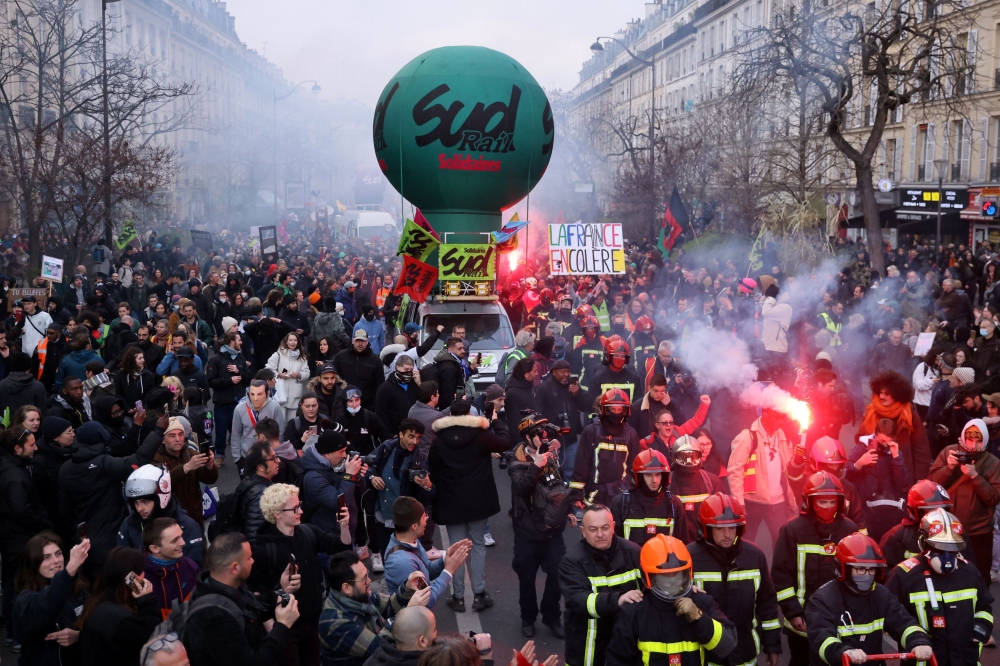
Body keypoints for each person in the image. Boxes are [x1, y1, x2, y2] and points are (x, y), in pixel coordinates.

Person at [250, 483, 353, 666]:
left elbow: (340, 546)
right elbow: (255, 592)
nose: (301, 511)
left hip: (313, 618)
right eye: (295, 508)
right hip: (286, 626)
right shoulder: (263, 550)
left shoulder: (307, 532)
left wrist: (344, 527)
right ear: (277, 513)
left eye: (300, 505)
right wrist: (267, 617)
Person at [605, 534, 738, 666]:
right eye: (664, 576)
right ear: (648, 577)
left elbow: (727, 645)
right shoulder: (634, 611)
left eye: (677, 574)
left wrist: (698, 617)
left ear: (688, 573)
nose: (672, 582)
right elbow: (617, 660)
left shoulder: (702, 602)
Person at [428, 399, 509, 612]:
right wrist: (496, 421)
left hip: (451, 501)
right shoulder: (480, 435)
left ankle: (458, 596)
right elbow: (504, 443)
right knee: (478, 545)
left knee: (456, 549)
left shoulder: (439, 440)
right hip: (478, 499)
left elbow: (433, 472)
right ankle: (480, 593)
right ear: (469, 413)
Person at [885, 509, 994, 664]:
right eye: (940, 548)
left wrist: (979, 632)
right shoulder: (903, 576)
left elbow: (984, 608)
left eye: (952, 549)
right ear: (924, 543)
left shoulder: (969, 573)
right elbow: (889, 616)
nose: (947, 556)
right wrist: (914, 640)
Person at [772, 472, 859, 665]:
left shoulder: (849, 528)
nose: (828, 507)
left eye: (832, 502)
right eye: (822, 502)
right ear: (809, 502)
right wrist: (793, 612)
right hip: (802, 619)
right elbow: (781, 575)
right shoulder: (792, 529)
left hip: (841, 616)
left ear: (840, 502)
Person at [805, 533, 932, 665]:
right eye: (860, 569)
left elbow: (904, 623)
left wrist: (919, 641)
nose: (867, 575)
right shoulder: (823, 599)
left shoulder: (881, 594)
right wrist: (843, 651)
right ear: (844, 569)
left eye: (871, 569)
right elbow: (821, 638)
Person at [687, 494, 781, 666]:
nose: (727, 534)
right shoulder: (689, 557)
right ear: (706, 528)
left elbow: (767, 604)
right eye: (720, 528)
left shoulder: (755, 556)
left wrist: (772, 645)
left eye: (732, 528)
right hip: (705, 654)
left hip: (745, 652)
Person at [59, 419, 164, 569]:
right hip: (108, 537)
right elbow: (136, 462)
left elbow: (64, 510)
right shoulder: (103, 463)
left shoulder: (65, 469)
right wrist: (158, 432)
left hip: (81, 540)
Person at [182, 532, 299, 666]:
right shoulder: (213, 618)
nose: (253, 561)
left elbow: (250, 607)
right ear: (235, 568)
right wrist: (283, 626)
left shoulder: (220, 584)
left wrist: (281, 591)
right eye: (249, 558)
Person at [507, 413, 572, 638]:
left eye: (544, 432)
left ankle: (552, 616)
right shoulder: (515, 460)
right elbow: (523, 489)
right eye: (537, 433)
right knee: (527, 578)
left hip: (553, 533)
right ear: (527, 436)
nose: (542, 437)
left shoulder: (550, 455)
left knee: (557, 576)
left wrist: (570, 511)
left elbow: (559, 487)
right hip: (527, 533)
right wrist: (536, 465)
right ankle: (528, 617)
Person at [558, 503, 643, 666]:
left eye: (605, 528)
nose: (600, 534)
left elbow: (654, 584)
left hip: (627, 638)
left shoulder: (633, 552)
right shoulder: (572, 561)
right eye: (593, 529)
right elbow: (579, 601)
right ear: (583, 532)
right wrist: (618, 599)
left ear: (613, 527)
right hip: (589, 643)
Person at [317, 550, 431, 666]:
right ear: (346, 587)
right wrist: (408, 612)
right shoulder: (335, 624)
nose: (369, 581)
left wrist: (407, 587)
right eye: (364, 579)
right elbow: (381, 648)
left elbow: (389, 605)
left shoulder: (358, 595)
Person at [927, 417, 1000, 584]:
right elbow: (931, 485)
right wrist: (949, 468)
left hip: (979, 532)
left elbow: (993, 498)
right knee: (948, 576)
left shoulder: (993, 463)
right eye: (970, 439)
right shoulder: (948, 452)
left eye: (978, 441)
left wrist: (975, 476)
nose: (973, 446)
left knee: (980, 577)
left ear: (986, 440)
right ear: (963, 436)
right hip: (947, 528)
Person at [0, 424, 53, 647]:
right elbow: (22, 510)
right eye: (31, 445)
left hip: (11, 538)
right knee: (18, 585)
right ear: (17, 448)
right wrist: (44, 525)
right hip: (19, 540)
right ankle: (17, 634)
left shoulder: (9, 467)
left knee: (12, 585)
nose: (36, 448)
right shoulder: (15, 477)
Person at [13, 532, 90, 666]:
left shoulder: (77, 588)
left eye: (58, 553)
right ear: (33, 563)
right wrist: (69, 571)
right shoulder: (25, 600)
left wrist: (79, 636)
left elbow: (95, 622)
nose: (56, 560)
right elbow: (46, 604)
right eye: (46, 557)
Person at [381, 497, 471, 611]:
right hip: (412, 623)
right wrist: (448, 571)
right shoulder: (403, 563)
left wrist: (446, 557)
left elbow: (427, 571)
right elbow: (427, 600)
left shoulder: (412, 541)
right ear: (414, 526)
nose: (426, 520)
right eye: (424, 517)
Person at [78, 547, 162, 666]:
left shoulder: (96, 602)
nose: (144, 575)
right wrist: (148, 601)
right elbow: (153, 639)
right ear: (131, 578)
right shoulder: (120, 618)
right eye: (141, 571)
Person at [726, 406, 795, 550]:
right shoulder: (747, 437)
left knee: (782, 543)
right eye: (778, 417)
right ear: (765, 413)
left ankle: (777, 572)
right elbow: (735, 471)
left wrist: (792, 500)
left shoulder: (784, 436)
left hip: (779, 502)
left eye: (783, 417)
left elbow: (789, 471)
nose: (781, 421)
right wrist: (739, 502)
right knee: (746, 542)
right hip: (752, 502)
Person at [118, 463, 205, 566]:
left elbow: (194, 568)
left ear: (161, 498)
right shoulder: (129, 524)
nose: (140, 508)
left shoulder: (187, 526)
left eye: (145, 502)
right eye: (136, 503)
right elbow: (122, 563)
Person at [569, 388, 641, 507]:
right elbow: (581, 465)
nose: (616, 413)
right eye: (612, 409)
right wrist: (576, 495)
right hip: (595, 496)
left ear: (626, 411)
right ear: (604, 409)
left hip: (622, 497)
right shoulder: (591, 431)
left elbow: (635, 468)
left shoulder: (631, 435)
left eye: (619, 409)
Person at [856, 369, 932, 481]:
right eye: (880, 393)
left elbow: (921, 450)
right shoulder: (871, 412)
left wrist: (919, 478)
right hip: (874, 475)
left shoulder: (910, 416)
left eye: (887, 394)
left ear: (897, 394)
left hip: (902, 476)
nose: (882, 397)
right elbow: (859, 439)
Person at [846, 419, 912, 542]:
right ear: (875, 435)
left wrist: (896, 457)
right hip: (866, 510)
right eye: (882, 441)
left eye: (888, 441)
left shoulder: (896, 453)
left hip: (890, 511)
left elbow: (903, 482)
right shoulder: (860, 449)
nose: (885, 445)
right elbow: (846, 476)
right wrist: (860, 464)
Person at [610, 449, 690, 546]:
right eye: (648, 475)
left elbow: (682, 544)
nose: (654, 480)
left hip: (665, 561)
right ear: (638, 476)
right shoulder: (620, 503)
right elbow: (613, 544)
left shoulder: (674, 504)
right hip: (631, 561)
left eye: (658, 474)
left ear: (664, 476)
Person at [301, 430, 365, 539]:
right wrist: (349, 475)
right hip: (327, 538)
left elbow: (359, 493)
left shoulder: (337, 466)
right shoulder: (313, 477)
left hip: (346, 532)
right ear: (327, 454)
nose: (345, 455)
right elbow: (339, 504)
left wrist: (357, 476)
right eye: (341, 451)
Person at [879, 480, 957, 567]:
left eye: (944, 509)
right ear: (913, 510)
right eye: (932, 509)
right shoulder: (897, 537)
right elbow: (887, 574)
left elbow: (967, 571)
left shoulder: (956, 535)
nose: (939, 514)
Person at [205, 330, 252, 459]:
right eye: (239, 340)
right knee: (220, 432)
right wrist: (229, 381)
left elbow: (248, 378)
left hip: (239, 403)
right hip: (222, 403)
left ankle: (243, 456)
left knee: (241, 432)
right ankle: (219, 456)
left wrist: (239, 371)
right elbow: (211, 381)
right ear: (232, 342)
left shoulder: (240, 358)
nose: (241, 343)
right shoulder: (216, 360)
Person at [142, 517, 199, 620]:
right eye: (174, 541)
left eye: (181, 536)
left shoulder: (190, 567)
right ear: (154, 548)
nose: (183, 543)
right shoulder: (139, 576)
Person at [668, 434, 726, 524]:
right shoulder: (666, 482)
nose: (688, 461)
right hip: (674, 537)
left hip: (703, 537)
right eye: (683, 456)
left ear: (700, 455)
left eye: (693, 456)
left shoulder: (712, 482)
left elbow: (722, 516)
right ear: (673, 456)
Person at [231, 379, 283, 476]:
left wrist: (276, 455)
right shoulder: (239, 409)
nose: (255, 398)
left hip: (269, 458)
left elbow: (280, 433)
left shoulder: (275, 407)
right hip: (246, 457)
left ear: (267, 393)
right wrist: (237, 459)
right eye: (252, 394)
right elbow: (235, 434)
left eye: (259, 394)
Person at [361, 606, 436, 666]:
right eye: (434, 630)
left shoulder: (378, 655)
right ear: (422, 641)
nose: (436, 632)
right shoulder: (429, 662)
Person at [266, 332, 311, 423]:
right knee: (280, 423)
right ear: (286, 342)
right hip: (280, 393)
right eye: (290, 340)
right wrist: (279, 374)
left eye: (295, 340)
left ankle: (290, 437)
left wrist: (299, 375)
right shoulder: (278, 354)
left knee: (292, 422)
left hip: (295, 395)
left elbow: (307, 372)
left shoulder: (302, 357)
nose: (293, 342)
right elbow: (268, 369)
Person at [333, 329, 385, 408]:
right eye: (357, 341)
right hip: (343, 404)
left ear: (367, 341)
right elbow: (334, 379)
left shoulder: (375, 361)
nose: (360, 344)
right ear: (353, 340)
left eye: (363, 341)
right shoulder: (340, 357)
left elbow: (379, 385)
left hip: (366, 406)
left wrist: (373, 406)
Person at [585, 335, 642, 403]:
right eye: (616, 355)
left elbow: (638, 403)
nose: (619, 358)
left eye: (622, 356)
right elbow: (592, 404)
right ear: (609, 356)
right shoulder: (598, 377)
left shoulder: (634, 378)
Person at [373, 355, 420, 434]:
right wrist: (391, 434)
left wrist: (419, 384)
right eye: (406, 369)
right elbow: (381, 414)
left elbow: (425, 401)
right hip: (395, 433)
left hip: (414, 431)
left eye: (411, 370)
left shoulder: (415, 385)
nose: (408, 372)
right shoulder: (385, 388)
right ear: (397, 367)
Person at [0, 352, 47, 418]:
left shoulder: (2, 384)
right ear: (29, 368)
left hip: (6, 426)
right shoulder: (38, 387)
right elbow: (42, 412)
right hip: (30, 426)